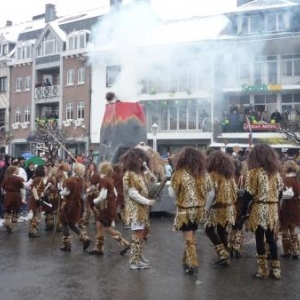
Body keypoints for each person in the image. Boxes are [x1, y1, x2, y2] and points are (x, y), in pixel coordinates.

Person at [168, 146, 213, 275]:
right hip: (199, 210)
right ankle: (186, 260)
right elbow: (211, 192)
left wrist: (181, 198)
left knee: (188, 238)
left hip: (184, 211)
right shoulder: (203, 173)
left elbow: (172, 193)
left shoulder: (179, 173)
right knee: (192, 236)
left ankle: (192, 263)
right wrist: (205, 206)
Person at [244, 143, 283, 279]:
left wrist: (243, 214)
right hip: (272, 209)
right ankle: (276, 270)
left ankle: (262, 270)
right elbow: (280, 194)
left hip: (259, 208)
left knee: (259, 239)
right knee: (271, 239)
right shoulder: (276, 173)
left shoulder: (253, 173)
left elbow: (248, 195)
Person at [120, 148, 156, 270]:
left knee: (143, 233)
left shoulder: (138, 174)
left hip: (142, 209)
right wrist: (148, 201)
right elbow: (133, 194)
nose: (141, 160)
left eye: (142, 158)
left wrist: (149, 173)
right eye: (138, 158)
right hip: (135, 210)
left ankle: (139, 256)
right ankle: (134, 261)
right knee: (138, 234)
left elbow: (149, 184)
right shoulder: (129, 175)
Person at [89, 162, 130, 256]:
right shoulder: (110, 179)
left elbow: (103, 196)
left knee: (107, 227)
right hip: (109, 205)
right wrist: (111, 201)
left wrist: (94, 202)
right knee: (99, 224)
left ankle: (124, 243)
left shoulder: (104, 180)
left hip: (106, 206)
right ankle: (99, 247)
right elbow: (115, 193)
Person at [205, 150, 237, 266]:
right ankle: (225, 256)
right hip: (228, 207)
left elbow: (211, 194)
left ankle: (223, 253)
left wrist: (206, 208)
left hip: (217, 208)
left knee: (209, 230)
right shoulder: (229, 175)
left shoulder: (212, 174)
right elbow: (235, 192)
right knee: (222, 231)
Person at [59, 163, 91, 251]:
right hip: (77, 204)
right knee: (72, 224)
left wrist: (60, 192)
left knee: (65, 222)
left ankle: (67, 245)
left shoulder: (71, 180)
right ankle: (85, 238)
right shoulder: (82, 180)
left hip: (69, 204)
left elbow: (66, 192)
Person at [280, 160, 300, 259]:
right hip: (296, 206)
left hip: (287, 206)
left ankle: (287, 250)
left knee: (284, 228)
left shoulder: (286, 180)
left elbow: (286, 195)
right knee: (292, 228)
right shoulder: (296, 180)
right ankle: (295, 250)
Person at [1, 166, 25, 232]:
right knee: (15, 210)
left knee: (7, 210)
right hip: (15, 196)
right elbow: (23, 186)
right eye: (17, 170)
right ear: (14, 171)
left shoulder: (6, 178)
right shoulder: (18, 178)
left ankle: (7, 223)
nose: (18, 171)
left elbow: (2, 187)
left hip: (8, 195)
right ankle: (13, 226)